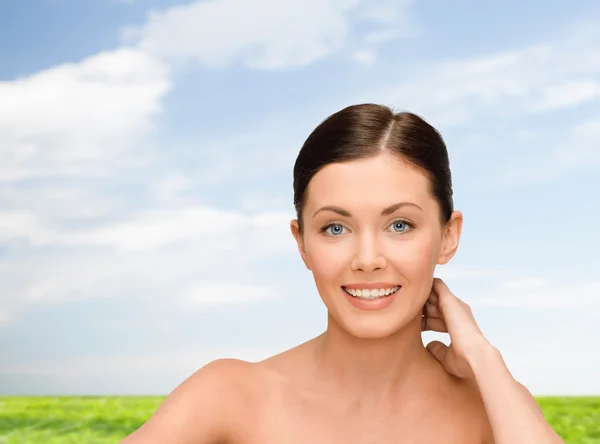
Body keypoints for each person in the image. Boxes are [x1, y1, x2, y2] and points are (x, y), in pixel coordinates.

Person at [120, 104, 564, 444]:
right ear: (302, 243)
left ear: (449, 236)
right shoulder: (230, 396)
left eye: (399, 226)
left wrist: (485, 359)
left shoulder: (493, 407)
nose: (367, 258)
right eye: (336, 228)